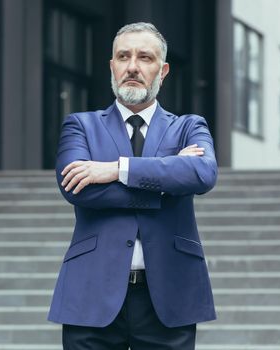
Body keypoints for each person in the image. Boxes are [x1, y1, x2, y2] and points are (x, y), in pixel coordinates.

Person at [47, 22, 217, 350]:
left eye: (145, 58)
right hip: (91, 292)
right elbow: (75, 187)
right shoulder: (80, 125)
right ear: (112, 65)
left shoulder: (188, 127)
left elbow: (202, 174)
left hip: (169, 295)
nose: (133, 67)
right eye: (123, 56)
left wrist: (116, 169)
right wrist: (166, 180)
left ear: (163, 70)